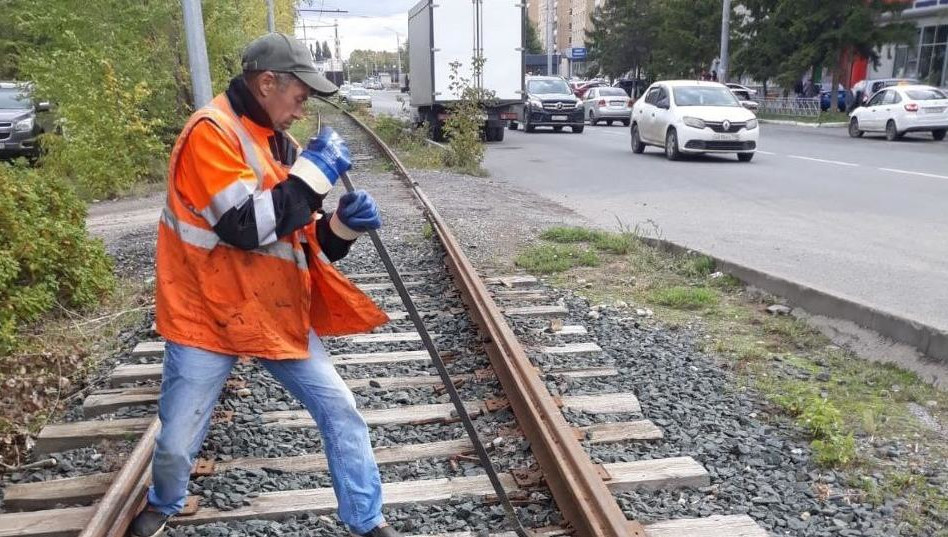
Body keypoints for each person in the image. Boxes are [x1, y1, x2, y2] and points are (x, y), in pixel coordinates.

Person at [131, 33, 397, 537]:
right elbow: (245, 227)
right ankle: (165, 501)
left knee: (340, 408)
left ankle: (367, 522)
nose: (301, 112)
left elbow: (299, 239)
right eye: (299, 98)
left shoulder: (280, 143)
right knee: (177, 440)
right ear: (267, 82)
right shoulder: (210, 133)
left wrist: (342, 226)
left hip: (268, 310)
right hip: (205, 314)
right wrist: (313, 175)